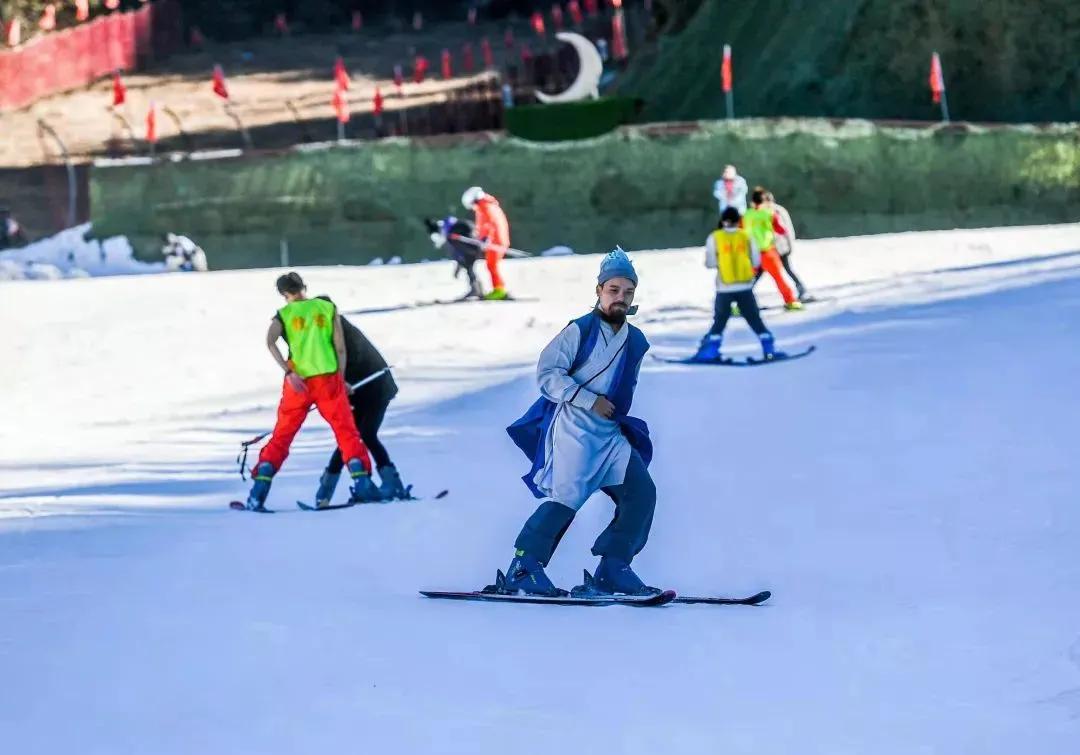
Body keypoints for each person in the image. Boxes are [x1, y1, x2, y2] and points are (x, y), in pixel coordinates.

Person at [503, 249, 659, 597]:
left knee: (641, 493)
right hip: (575, 427)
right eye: (614, 289)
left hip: (610, 433)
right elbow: (547, 374)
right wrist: (589, 400)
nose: (621, 297)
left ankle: (614, 567)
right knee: (566, 498)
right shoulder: (579, 330)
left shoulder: (635, 340)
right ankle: (523, 568)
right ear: (599, 290)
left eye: (628, 291)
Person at [242, 272, 381, 511]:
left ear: (285, 294)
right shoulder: (326, 307)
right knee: (346, 432)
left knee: (282, 436)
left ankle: (258, 492)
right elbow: (339, 347)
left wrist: (288, 372)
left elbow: (270, 341)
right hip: (328, 379)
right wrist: (341, 378)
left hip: (298, 383)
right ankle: (364, 485)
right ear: (304, 287)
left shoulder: (284, 315)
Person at [312, 295, 409, 505]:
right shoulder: (327, 335)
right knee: (348, 438)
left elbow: (350, 362)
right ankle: (325, 493)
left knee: (366, 434)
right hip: (359, 392)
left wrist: (340, 385)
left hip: (376, 389)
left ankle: (393, 485)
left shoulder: (346, 333)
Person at [694, 207, 777, 362]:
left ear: (723, 221)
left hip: (724, 287)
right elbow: (757, 261)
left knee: (719, 321)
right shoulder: (746, 236)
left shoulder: (715, 237)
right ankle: (769, 349)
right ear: (739, 221)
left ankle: (711, 351)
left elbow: (710, 263)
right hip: (745, 285)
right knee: (755, 319)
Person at [744, 187, 801, 311]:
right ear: (764, 202)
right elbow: (781, 229)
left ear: (752, 202)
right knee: (779, 278)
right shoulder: (770, 213)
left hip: (752, 253)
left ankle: (739, 304)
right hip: (767, 252)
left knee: (747, 280)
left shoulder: (746, 215)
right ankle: (791, 301)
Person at [461, 186, 511, 301]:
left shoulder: (486, 207)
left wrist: (486, 238)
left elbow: (490, 223)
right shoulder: (488, 205)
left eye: (473, 204)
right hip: (497, 239)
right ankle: (499, 289)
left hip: (495, 241)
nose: (473, 207)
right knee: (491, 265)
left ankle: (499, 290)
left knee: (491, 265)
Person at [425, 216, 485, 300]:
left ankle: (476, 289)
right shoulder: (451, 225)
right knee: (468, 264)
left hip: (470, 245)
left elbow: (458, 252)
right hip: (474, 240)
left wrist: (458, 265)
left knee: (467, 264)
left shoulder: (450, 233)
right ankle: (477, 289)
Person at [765, 191, 809, 301]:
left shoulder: (779, 211)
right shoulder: (759, 214)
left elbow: (788, 230)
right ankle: (746, 296)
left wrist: (789, 246)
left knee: (788, 269)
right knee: (758, 273)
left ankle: (801, 289)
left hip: (780, 248)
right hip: (767, 249)